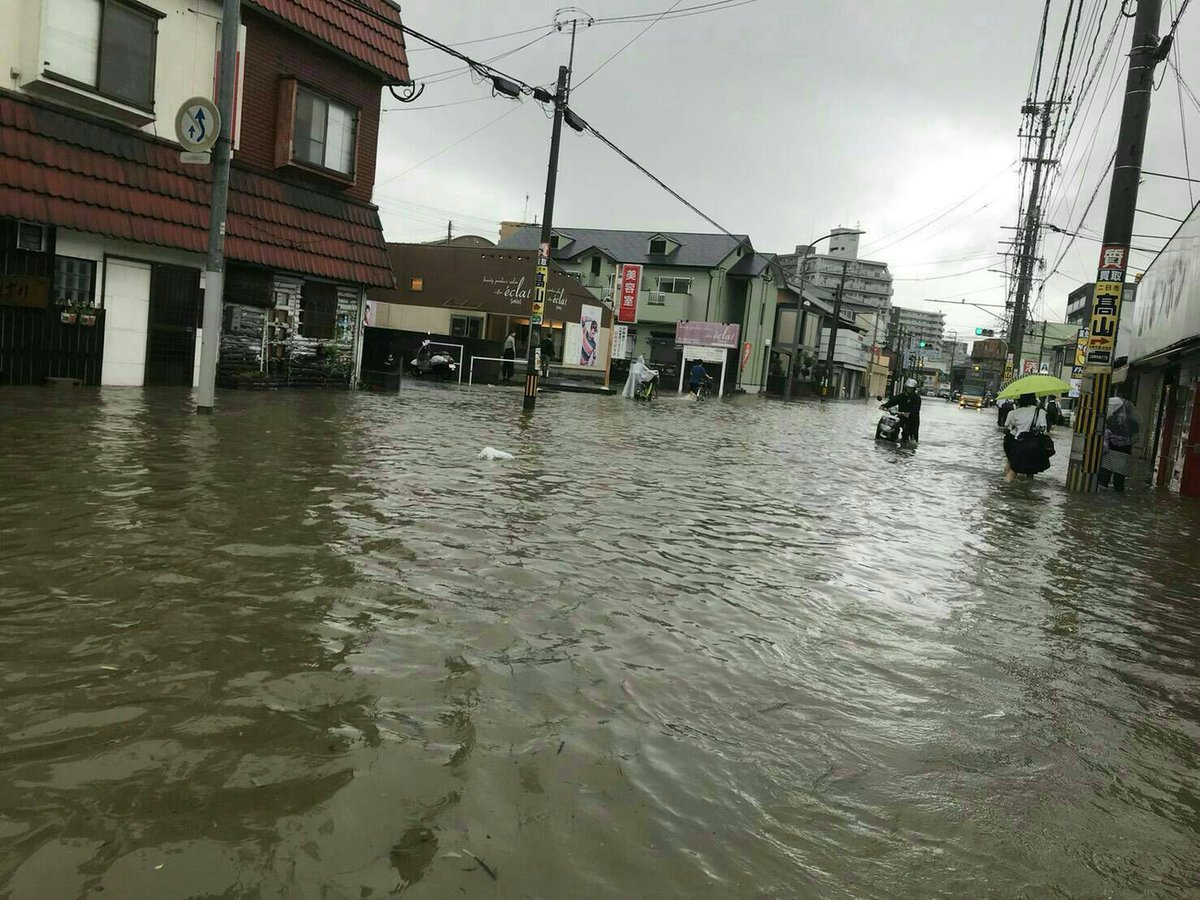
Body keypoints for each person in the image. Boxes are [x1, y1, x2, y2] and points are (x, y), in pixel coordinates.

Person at [1003, 392, 1051, 482]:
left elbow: (1008, 428)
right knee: (1030, 473)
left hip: (1018, 444)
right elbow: (1043, 428)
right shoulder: (1040, 412)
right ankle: (1027, 494)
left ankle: (1006, 489)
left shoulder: (1015, 412)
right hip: (1033, 446)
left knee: (1014, 470)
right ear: (1033, 399)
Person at [1099, 395, 1141, 491]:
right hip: (1124, 453)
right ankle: (1119, 498)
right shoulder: (1134, 423)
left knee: (1104, 478)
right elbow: (1135, 439)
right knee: (1119, 481)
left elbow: (1105, 434)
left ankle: (1101, 497)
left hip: (1110, 451)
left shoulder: (1110, 419)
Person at [879, 378, 922, 443]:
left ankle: (910, 443)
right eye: (908, 388)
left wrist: (909, 413)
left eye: (911, 388)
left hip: (912, 419)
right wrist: (884, 406)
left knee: (909, 434)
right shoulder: (901, 396)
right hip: (901, 417)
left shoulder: (917, 398)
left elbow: (916, 409)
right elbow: (892, 401)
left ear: (914, 389)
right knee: (893, 425)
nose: (909, 389)